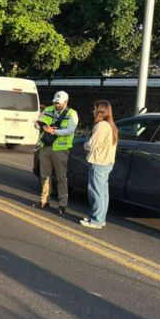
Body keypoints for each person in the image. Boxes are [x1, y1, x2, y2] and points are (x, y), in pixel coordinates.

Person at [33, 91, 78, 215]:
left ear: (66, 102)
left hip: (60, 149)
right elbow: (39, 123)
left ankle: (62, 204)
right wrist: (37, 125)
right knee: (44, 176)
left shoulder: (71, 114)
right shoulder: (48, 109)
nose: (56, 105)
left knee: (61, 177)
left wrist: (54, 131)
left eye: (59, 103)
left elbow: (70, 130)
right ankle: (44, 201)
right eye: (55, 102)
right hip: (45, 146)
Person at [80, 101, 119, 229]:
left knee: (95, 191)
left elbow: (92, 144)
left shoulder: (101, 126)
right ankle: (99, 218)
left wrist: (85, 144)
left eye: (95, 108)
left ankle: (96, 220)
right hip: (107, 162)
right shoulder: (111, 125)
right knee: (103, 193)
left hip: (99, 161)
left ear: (100, 111)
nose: (93, 111)